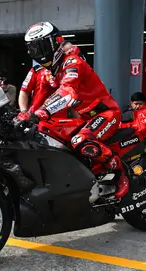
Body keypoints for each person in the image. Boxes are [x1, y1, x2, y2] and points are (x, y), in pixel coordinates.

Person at [16, 21, 129, 199]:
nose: (39, 53)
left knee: (79, 140)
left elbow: (68, 92)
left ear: (56, 42)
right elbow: (37, 97)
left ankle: (122, 173)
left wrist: (41, 113)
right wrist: (26, 115)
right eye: (34, 49)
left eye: (42, 46)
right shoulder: (50, 72)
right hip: (85, 118)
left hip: (106, 113)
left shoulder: (72, 62)